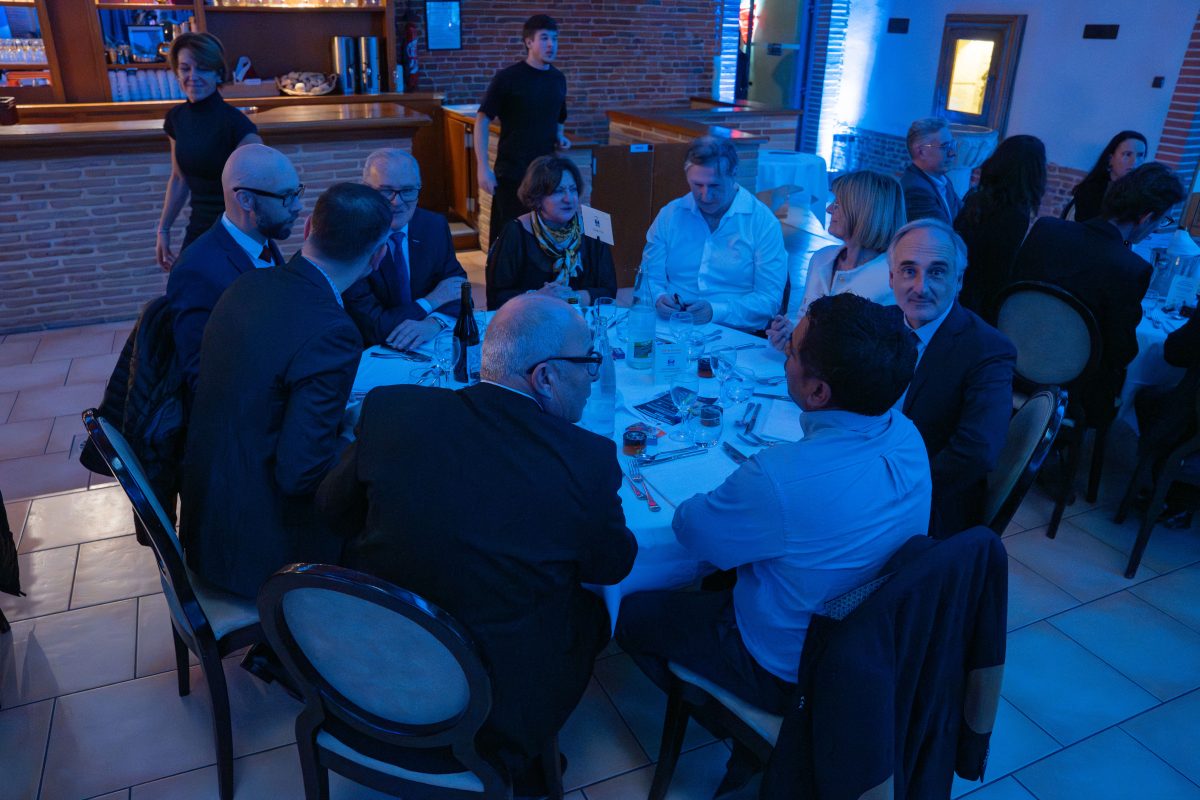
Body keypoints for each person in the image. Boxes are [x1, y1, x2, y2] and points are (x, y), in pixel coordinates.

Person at [317, 294, 636, 795]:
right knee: (593, 614)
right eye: (588, 362)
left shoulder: (392, 409)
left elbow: (331, 510)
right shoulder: (585, 460)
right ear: (545, 377)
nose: (593, 377)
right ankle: (527, 756)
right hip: (488, 703)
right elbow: (611, 565)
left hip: (368, 655)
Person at [617, 293, 929, 788]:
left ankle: (729, 721)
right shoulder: (909, 435)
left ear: (818, 392)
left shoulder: (780, 478)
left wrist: (727, 491)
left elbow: (692, 532)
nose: (785, 358)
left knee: (629, 613)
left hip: (782, 668)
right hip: (866, 649)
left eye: (793, 352)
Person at [180, 183, 391, 599]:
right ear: (378, 256)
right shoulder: (333, 332)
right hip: (264, 555)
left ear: (309, 227)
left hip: (206, 523)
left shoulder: (247, 284)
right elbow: (301, 475)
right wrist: (358, 434)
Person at [1013, 162, 1185, 425]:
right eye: (1163, 220)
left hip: (1011, 363)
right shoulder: (1131, 268)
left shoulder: (1045, 229)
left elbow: (1013, 296)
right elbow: (1120, 352)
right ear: (1146, 217)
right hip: (1070, 389)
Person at [889, 219, 1016, 537]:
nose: (920, 288)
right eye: (908, 271)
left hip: (928, 504)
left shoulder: (988, 350)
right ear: (891, 277)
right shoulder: (881, 324)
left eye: (936, 272)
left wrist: (892, 488)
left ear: (959, 280)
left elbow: (977, 452)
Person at [166, 143, 302, 396]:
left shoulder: (262, 240)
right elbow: (204, 378)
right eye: (286, 196)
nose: (297, 206)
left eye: (298, 192)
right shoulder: (196, 271)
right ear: (245, 200)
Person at [639, 135, 787, 330]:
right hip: (671, 327)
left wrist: (715, 311)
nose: (706, 196)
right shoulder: (670, 214)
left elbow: (769, 301)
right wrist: (658, 297)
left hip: (733, 333)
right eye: (697, 185)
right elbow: (648, 277)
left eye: (715, 185)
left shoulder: (762, 223)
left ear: (734, 174)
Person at [156, 32, 262, 270]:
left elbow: (260, 189)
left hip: (236, 232)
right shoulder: (176, 119)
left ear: (218, 73)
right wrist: (163, 229)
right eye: (185, 68)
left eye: (203, 69)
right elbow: (179, 178)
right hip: (199, 225)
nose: (192, 76)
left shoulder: (238, 126)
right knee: (184, 285)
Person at [765, 169, 905, 349]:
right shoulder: (821, 258)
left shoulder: (890, 280)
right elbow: (804, 319)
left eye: (837, 204)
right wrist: (788, 331)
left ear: (864, 213)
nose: (828, 209)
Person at [342, 149, 467, 349]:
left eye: (408, 190)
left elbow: (459, 289)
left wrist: (434, 323)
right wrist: (431, 301)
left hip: (427, 344)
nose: (397, 202)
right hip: (372, 353)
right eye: (386, 191)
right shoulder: (351, 239)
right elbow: (375, 327)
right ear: (366, 190)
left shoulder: (433, 225)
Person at [476, 14, 570, 242]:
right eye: (544, 38)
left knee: (542, 238)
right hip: (512, 173)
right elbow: (482, 119)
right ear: (529, 42)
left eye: (555, 38)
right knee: (508, 237)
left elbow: (559, 118)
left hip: (546, 176)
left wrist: (560, 137)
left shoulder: (558, 79)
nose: (551, 44)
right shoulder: (508, 78)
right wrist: (482, 167)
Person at [486, 155, 617, 310]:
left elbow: (608, 291)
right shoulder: (515, 232)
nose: (569, 199)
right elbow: (497, 298)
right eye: (558, 191)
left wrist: (571, 299)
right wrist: (537, 298)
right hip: (531, 317)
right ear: (537, 197)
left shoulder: (594, 225)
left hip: (580, 317)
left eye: (573, 189)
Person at [955, 134, 1047, 323]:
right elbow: (997, 271)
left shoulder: (978, 196)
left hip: (959, 285)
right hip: (976, 303)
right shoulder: (1014, 213)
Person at [1064, 130, 1148, 223]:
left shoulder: (1142, 193)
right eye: (1127, 154)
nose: (1135, 161)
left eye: (1140, 155)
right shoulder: (1090, 190)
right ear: (1110, 159)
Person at [900, 117, 961, 224]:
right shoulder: (915, 191)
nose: (952, 153)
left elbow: (963, 217)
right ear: (922, 152)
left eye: (953, 145)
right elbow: (943, 232)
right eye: (945, 146)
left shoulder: (944, 180)